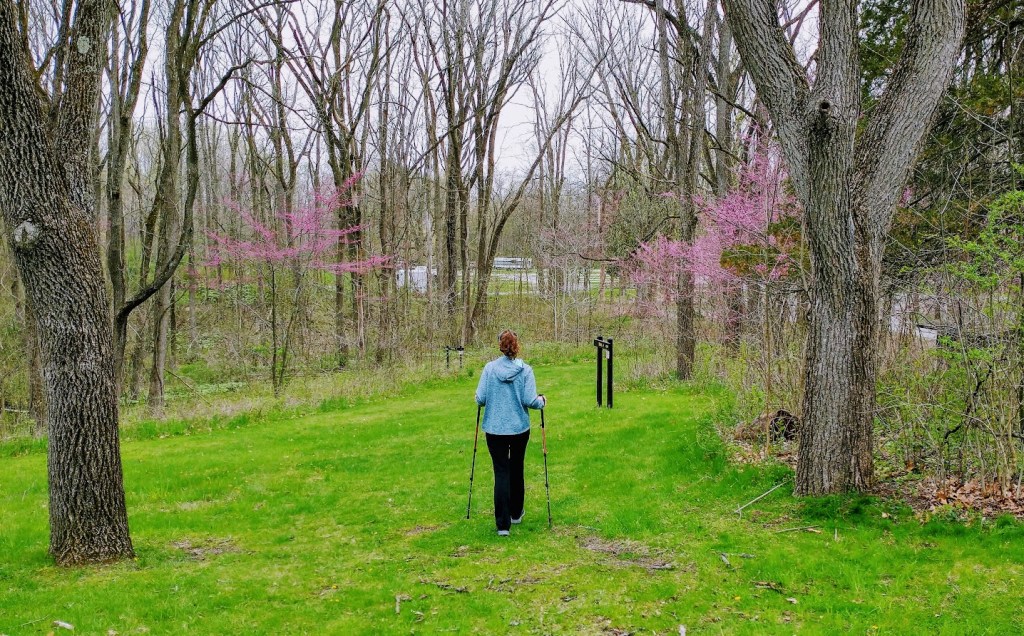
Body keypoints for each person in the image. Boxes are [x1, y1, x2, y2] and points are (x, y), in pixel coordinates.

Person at [474, 329, 546, 536]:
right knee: (516, 468)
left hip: (494, 429)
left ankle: (503, 525)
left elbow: (481, 399)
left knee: (501, 472)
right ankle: (516, 513)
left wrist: (477, 396)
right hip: (518, 429)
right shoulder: (526, 371)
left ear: (500, 345)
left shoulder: (489, 369)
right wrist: (542, 401)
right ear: (516, 345)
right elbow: (530, 401)